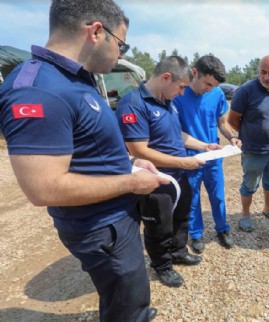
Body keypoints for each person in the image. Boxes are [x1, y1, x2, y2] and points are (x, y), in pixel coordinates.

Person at [0, 1, 168, 321]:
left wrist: (130, 164)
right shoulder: (38, 90)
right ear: (95, 32)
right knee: (125, 305)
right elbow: (44, 189)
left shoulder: (77, 78)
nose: (121, 54)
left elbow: (89, 149)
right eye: (121, 44)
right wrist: (131, 182)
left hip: (114, 217)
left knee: (128, 293)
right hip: (100, 228)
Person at [115, 56, 221, 288]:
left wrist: (203, 146)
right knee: (159, 224)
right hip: (156, 179)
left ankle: (178, 251)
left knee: (181, 217)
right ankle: (162, 265)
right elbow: (138, 149)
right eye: (181, 86)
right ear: (166, 78)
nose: (183, 92)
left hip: (178, 175)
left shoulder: (167, 101)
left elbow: (178, 135)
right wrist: (182, 163)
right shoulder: (134, 103)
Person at [174, 55, 241, 253]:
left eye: (214, 85)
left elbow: (222, 123)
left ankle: (222, 229)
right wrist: (201, 147)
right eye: (207, 83)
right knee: (193, 198)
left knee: (218, 196)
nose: (209, 88)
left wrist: (231, 138)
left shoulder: (217, 94)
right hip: (191, 157)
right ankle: (196, 234)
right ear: (194, 72)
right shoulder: (179, 94)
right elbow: (177, 131)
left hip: (214, 157)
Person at [228, 55, 269, 232]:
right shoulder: (246, 90)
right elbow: (233, 119)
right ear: (258, 71)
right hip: (253, 150)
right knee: (249, 184)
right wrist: (251, 133)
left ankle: (268, 209)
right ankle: (245, 215)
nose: (266, 77)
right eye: (263, 72)